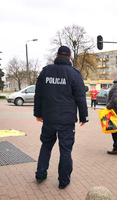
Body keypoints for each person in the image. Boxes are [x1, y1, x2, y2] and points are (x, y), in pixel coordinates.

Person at [34, 46, 88, 189]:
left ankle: (40, 173)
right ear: (69, 57)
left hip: (49, 119)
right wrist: (84, 116)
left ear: (57, 55)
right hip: (67, 120)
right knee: (65, 150)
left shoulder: (46, 71)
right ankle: (63, 181)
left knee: (46, 145)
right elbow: (81, 97)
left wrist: (38, 114)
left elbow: (38, 94)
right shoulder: (74, 73)